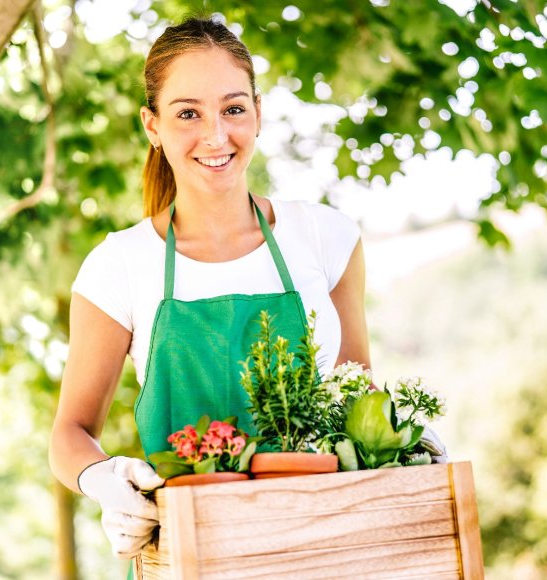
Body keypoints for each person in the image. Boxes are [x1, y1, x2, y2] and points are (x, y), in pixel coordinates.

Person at [48, 17, 371, 560]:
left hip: (325, 548)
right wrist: (103, 479)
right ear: (152, 126)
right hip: (189, 553)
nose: (216, 135)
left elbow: (356, 398)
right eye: (188, 113)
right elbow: (69, 432)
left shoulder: (327, 237)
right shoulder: (120, 265)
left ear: (259, 112)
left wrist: (400, 444)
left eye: (233, 108)